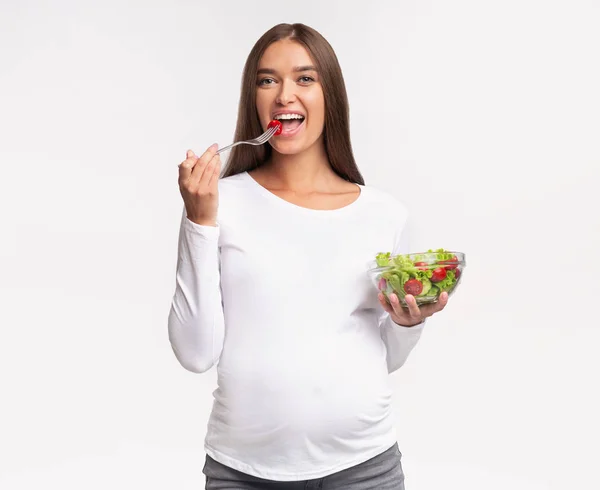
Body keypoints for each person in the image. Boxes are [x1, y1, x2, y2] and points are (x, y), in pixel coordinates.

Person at [168, 23, 449, 490]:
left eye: (304, 78)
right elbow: (196, 353)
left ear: (330, 95)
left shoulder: (384, 215)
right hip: (242, 472)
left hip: (365, 469)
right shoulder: (219, 202)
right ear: (253, 98)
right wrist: (199, 221)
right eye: (267, 80)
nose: (283, 95)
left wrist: (409, 321)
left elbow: (389, 359)